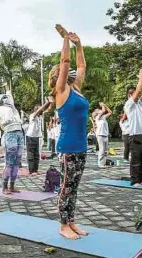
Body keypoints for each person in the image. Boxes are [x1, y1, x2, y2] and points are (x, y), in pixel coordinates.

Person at [49, 25, 89, 240]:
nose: (71, 72)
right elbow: (66, 62)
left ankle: (71, 221)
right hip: (67, 148)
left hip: (81, 146)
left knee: (75, 187)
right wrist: (65, 40)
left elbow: (81, 64)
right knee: (66, 187)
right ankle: (63, 224)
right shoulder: (61, 91)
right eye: (64, 73)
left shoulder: (78, 89)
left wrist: (79, 44)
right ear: (60, 77)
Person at [124, 68, 142, 187]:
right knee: (135, 159)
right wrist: (140, 78)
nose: (137, 95)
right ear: (130, 95)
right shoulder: (128, 104)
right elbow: (139, 90)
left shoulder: (138, 104)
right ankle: (134, 180)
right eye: (134, 93)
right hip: (134, 135)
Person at [26, 101, 52, 175]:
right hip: (30, 136)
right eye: (39, 108)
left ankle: (35, 170)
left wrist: (49, 102)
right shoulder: (32, 115)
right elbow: (40, 110)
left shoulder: (40, 116)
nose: (41, 110)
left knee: (37, 154)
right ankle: (31, 170)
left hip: (36, 137)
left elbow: (46, 109)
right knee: (31, 154)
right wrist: (46, 103)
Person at [94, 102, 112, 168]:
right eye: (98, 110)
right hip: (100, 135)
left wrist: (105, 105)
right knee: (101, 149)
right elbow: (104, 111)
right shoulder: (97, 118)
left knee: (105, 150)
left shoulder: (103, 117)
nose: (100, 110)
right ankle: (100, 164)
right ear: (97, 113)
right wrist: (102, 105)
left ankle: (103, 163)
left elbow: (110, 112)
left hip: (105, 135)